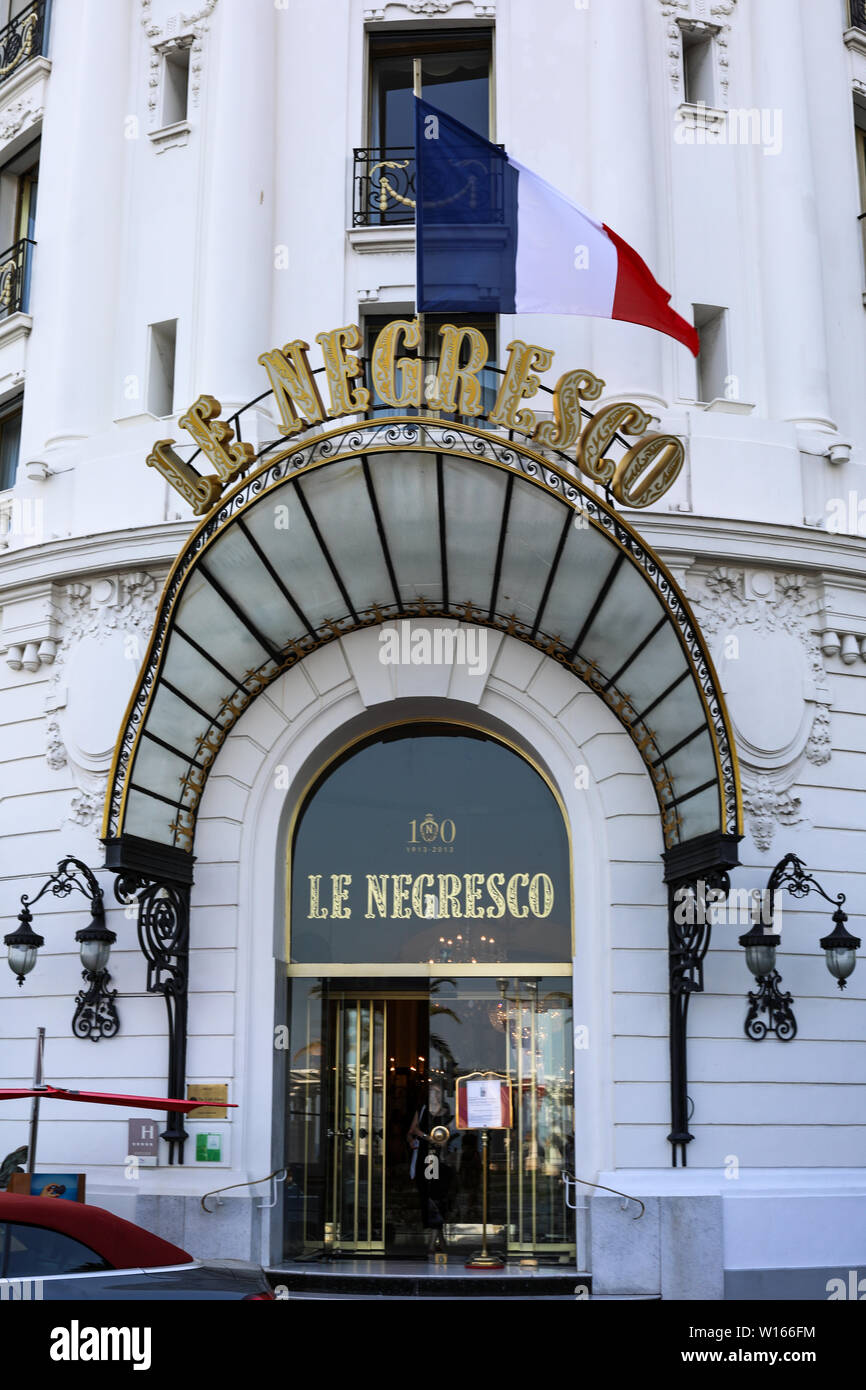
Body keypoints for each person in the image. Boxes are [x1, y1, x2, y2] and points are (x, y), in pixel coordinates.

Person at [407, 1081, 454, 1250]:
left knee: (436, 1196)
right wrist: (423, 1137)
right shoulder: (423, 1110)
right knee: (428, 1195)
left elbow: (444, 1138)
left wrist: (430, 1137)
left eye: (438, 1092)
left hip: (437, 1158)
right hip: (424, 1157)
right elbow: (412, 1130)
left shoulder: (445, 1112)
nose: (435, 1096)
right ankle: (439, 1239)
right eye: (432, 1092)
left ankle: (432, 1242)